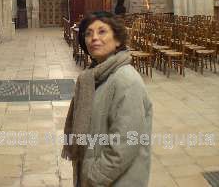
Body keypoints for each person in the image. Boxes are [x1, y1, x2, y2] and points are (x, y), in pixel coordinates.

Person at [62, 11, 152, 187]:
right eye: (88, 33)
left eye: (102, 31)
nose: (94, 38)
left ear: (117, 39)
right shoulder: (92, 77)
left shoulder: (126, 80)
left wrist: (94, 178)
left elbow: (125, 144)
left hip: (114, 180)